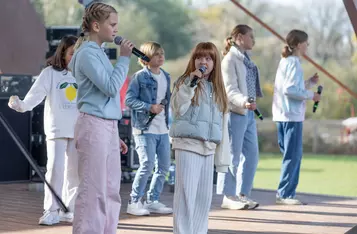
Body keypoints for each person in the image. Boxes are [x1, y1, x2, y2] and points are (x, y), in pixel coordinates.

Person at [68, 2, 133, 234]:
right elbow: (110, 87)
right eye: (112, 24)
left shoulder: (98, 53)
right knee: (93, 189)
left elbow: (107, 97)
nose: (116, 30)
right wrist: (124, 59)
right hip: (93, 125)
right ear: (96, 25)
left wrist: (113, 134)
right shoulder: (87, 53)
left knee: (110, 189)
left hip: (106, 126)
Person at [8, 35, 79, 225]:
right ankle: (51, 210)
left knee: (75, 172)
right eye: (73, 53)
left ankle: (69, 208)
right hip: (57, 128)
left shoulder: (84, 74)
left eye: (79, 53)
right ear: (63, 53)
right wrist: (20, 105)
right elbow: (35, 95)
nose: (76, 57)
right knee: (55, 169)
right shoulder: (50, 73)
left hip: (79, 129)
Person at [169, 42, 230, 234]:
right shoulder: (184, 82)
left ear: (214, 63)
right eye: (199, 57)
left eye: (208, 58)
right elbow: (178, 108)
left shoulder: (218, 89)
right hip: (188, 145)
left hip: (209, 148)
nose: (203, 62)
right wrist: (190, 84)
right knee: (186, 199)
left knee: (203, 202)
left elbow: (223, 127)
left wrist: (222, 160)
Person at [217, 24, 263, 210]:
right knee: (231, 155)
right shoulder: (229, 60)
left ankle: (243, 194)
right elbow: (230, 90)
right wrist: (244, 101)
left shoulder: (246, 59)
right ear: (239, 37)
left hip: (248, 113)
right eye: (251, 36)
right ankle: (228, 196)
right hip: (235, 112)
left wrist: (249, 104)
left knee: (251, 155)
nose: (254, 40)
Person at [272, 29, 320, 205]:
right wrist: (311, 94)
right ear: (299, 44)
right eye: (306, 43)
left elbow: (291, 86)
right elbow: (290, 90)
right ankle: (285, 194)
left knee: (289, 155)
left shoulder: (285, 62)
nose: (307, 46)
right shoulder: (294, 63)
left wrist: (308, 83)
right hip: (291, 116)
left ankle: (284, 193)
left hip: (283, 115)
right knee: (293, 156)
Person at [125, 41, 172, 216]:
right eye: (156, 54)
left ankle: (152, 200)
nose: (161, 57)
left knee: (164, 167)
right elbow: (129, 100)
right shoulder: (139, 77)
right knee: (147, 164)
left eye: (162, 53)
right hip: (145, 128)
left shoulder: (166, 76)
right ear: (145, 58)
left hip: (163, 129)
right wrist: (149, 106)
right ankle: (134, 201)